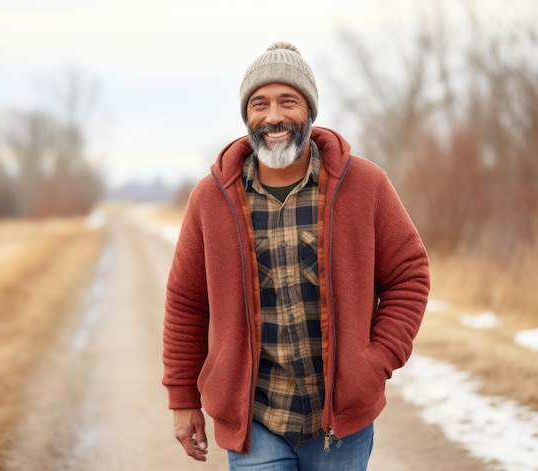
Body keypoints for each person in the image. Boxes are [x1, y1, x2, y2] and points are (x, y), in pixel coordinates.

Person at [162, 41, 430, 470]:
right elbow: (186, 302)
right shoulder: (212, 198)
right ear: (246, 115)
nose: (273, 117)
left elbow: (409, 275)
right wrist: (182, 398)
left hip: (342, 424)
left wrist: (374, 362)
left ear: (310, 111)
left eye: (288, 101)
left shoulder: (364, 184)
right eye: (259, 104)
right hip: (255, 421)